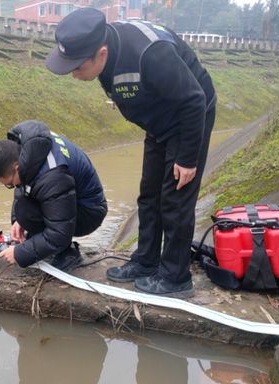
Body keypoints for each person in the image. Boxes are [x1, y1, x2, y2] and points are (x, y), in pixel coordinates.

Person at [45, 8, 216, 298]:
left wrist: (188, 158)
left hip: (189, 118)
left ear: (100, 54)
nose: (73, 75)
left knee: (175, 198)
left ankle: (176, 278)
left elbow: (193, 100)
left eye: (77, 68)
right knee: (149, 194)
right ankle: (146, 262)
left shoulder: (150, 53)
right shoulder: (105, 51)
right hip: (159, 121)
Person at [0, 120, 107, 271]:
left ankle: (68, 254)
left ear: (17, 167)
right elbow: (24, 185)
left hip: (90, 212)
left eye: (10, 184)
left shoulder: (53, 175)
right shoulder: (28, 148)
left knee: (30, 214)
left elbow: (59, 233)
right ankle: (44, 244)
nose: (13, 187)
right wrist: (18, 221)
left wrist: (20, 253)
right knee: (23, 212)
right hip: (70, 200)